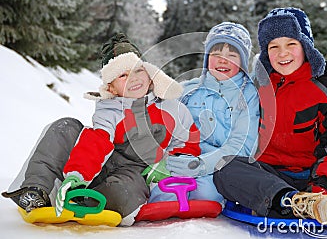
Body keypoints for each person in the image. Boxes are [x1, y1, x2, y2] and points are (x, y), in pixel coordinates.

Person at [213, 7, 327, 225]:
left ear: (305, 45)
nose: (282, 53)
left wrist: (321, 188)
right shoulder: (257, 87)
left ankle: (313, 204)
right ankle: (290, 201)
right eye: (273, 46)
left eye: (291, 44)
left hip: (316, 175)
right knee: (225, 167)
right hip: (269, 175)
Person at [2, 33, 201, 226]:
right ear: (112, 88)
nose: (133, 78)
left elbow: (189, 144)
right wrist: (77, 175)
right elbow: (97, 142)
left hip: (135, 172)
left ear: (150, 76)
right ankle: (37, 190)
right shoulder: (110, 109)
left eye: (138, 71)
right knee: (65, 127)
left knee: (122, 194)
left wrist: (167, 165)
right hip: (98, 165)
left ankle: (84, 201)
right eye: (123, 75)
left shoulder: (172, 109)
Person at [148, 22, 260, 205]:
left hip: (218, 167)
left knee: (205, 195)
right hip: (181, 157)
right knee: (163, 193)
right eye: (216, 54)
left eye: (232, 55)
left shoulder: (248, 97)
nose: (223, 60)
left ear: (242, 62)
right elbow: (162, 119)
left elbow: (242, 145)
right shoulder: (188, 89)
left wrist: (201, 165)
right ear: (207, 58)